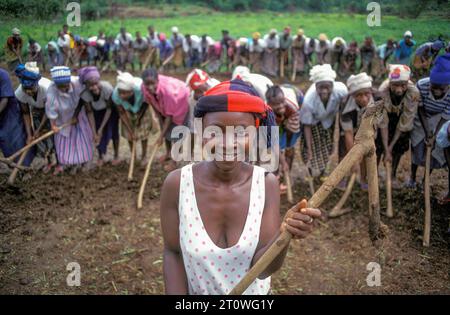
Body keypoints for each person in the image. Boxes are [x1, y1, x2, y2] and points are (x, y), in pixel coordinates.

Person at [160, 78, 322, 295]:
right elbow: (173, 253)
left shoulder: (265, 184)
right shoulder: (178, 184)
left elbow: (263, 270)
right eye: (215, 131)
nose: (227, 143)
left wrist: (284, 234)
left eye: (241, 132)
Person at [409, 55, 450, 205]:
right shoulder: (422, 85)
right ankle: (412, 177)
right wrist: (428, 132)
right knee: (416, 148)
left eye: (441, 88)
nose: (437, 91)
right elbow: (419, 109)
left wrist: (435, 135)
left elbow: (445, 117)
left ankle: (425, 180)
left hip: (440, 119)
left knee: (432, 150)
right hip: (422, 117)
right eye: (434, 87)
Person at [300, 64, 348, 176]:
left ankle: (323, 172)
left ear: (332, 85)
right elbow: (307, 125)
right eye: (321, 87)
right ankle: (310, 172)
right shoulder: (308, 101)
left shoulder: (341, 91)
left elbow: (345, 107)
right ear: (316, 86)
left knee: (326, 147)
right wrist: (309, 146)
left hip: (329, 121)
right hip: (313, 123)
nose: (324, 91)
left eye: (327, 87)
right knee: (310, 148)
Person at [376, 65, 420, 188]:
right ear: (390, 83)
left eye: (403, 85)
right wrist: (386, 149)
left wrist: (390, 148)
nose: (399, 90)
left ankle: (392, 175)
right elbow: (383, 122)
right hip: (386, 121)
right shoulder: (382, 91)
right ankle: (374, 175)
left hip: (401, 123)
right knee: (378, 147)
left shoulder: (414, 93)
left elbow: (405, 122)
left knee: (398, 148)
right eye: (395, 85)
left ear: (407, 83)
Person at [45, 66, 94, 175]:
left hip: (78, 115)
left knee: (81, 140)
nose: (64, 88)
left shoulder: (77, 83)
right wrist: (53, 126)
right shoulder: (51, 91)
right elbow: (51, 110)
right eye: (61, 87)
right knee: (66, 144)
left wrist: (75, 116)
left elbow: (84, 98)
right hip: (62, 119)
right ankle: (70, 164)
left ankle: (84, 163)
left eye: (66, 85)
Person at [141, 68, 190, 171]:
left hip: (180, 101)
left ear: (157, 81)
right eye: (147, 84)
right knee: (166, 130)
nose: (150, 87)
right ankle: (168, 153)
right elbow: (153, 104)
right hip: (164, 106)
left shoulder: (167, 91)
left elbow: (169, 116)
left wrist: (161, 135)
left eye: (152, 84)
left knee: (177, 133)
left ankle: (174, 161)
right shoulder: (144, 87)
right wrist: (160, 120)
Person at [339, 73, 376, 192]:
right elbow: (348, 133)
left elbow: (372, 129)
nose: (364, 99)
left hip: (368, 128)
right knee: (344, 152)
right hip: (350, 128)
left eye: (366, 94)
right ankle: (342, 177)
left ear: (371, 91)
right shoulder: (345, 104)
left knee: (365, 154)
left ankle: (363, 179)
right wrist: (353, 159)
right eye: (359, 95)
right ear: (353, 95)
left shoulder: (378, 100)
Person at [15, 63, 54, 172]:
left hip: (51, 111)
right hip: (36, 110)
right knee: (38, 139)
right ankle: (46, 159)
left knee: (51, 136)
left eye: (31, 88)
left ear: (36, 84)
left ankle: (53, 160)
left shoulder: (47, 88)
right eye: (26, 89)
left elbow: (48, 111)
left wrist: (39, 129)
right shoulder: (20, 93)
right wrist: (30, 134)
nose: (28, 92)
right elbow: (26, 113)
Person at [79, 67, 120, 167]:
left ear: (99, 81)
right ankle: (101, 156)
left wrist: (101, 129)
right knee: (97, 135)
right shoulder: (85, 94)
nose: (94, 87)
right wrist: (95, 131)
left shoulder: (107, 88)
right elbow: (89, 112)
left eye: (96, 83)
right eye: (91, 85)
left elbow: (109, 109)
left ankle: (116, 155)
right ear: (86, 85)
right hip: (96, 113)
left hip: (110, 113)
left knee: (113, 133)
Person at [266, 84, 302, 192]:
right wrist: (281, 160)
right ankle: (275, 179)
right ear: (269, 104)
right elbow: (273, 143)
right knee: (272, 153)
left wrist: (287, 147)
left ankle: (286, 176)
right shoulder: (266, 113)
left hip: (292, 116)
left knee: (289, 149)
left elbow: (291, 130)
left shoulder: (293, 108)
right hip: (276, 120)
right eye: (276, 104)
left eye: (282, 102)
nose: (281, 106)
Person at [112, 71, 153, 166]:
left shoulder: (141, 89)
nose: (122, 95)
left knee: (143, 134)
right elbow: (121, 113)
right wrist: (130, 131)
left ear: (131, 91)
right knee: (129, 135)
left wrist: (139, 118)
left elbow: (145, 105)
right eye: (120, 92)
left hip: (142, 109)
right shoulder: (115, 95)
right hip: (128, 111)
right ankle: (133, 156)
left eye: (125, 93)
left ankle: (143, 156)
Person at [0, 67, 34, 166]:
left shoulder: (2, 75)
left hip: (9, 112)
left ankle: (25, 166)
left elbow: (5, 99)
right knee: (4, 142)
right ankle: (12, 165)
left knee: (16, 139)